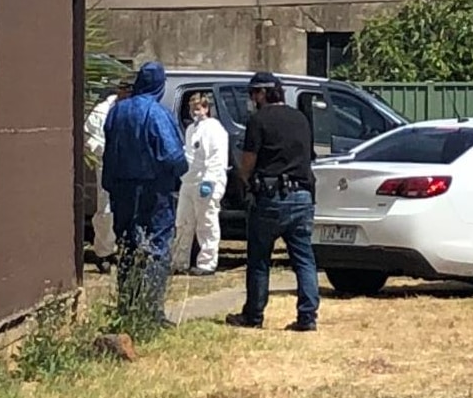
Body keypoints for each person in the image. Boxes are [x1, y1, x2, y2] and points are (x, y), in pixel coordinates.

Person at [225, 72, 319, 332]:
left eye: (253, 94)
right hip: (302, 196)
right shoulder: (300, 118)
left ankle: (254, 315)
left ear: (263, 93)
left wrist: (243, 182)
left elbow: (248, 162)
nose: (252, 99)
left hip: (270, 197)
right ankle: (307, 316)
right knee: (304, 259)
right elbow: (307, 156)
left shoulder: (258, 120)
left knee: (259, 259)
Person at [102, 61, 188, 326]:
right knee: (155, 248)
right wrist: (181, 171)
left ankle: (127, 306)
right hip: (153, 192)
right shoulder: (157, 113)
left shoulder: (117, 111)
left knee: (127, 246)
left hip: (120, 189)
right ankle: (150, 312)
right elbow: (173, 155)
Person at [171, 92, 229, 276]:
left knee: (206, 223)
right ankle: (180, 261)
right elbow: (190, 155)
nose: (195, 112)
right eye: (192, 108)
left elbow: (217, 158)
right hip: (189, 180)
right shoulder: (191, 130)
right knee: (183, 222)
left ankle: (207, 263)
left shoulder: (215, 128)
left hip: (206, 180)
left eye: (199, 107)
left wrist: (209, 181)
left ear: (206, 108)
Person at [84, 78, 133, 274]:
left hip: (129, 166)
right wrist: (103, 150)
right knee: (106, 210)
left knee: (128, 209)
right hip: (107, 165)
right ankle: (103, 253)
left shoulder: (133, 109)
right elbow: (86, 136)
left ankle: (122, 249)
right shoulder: (101, 111)